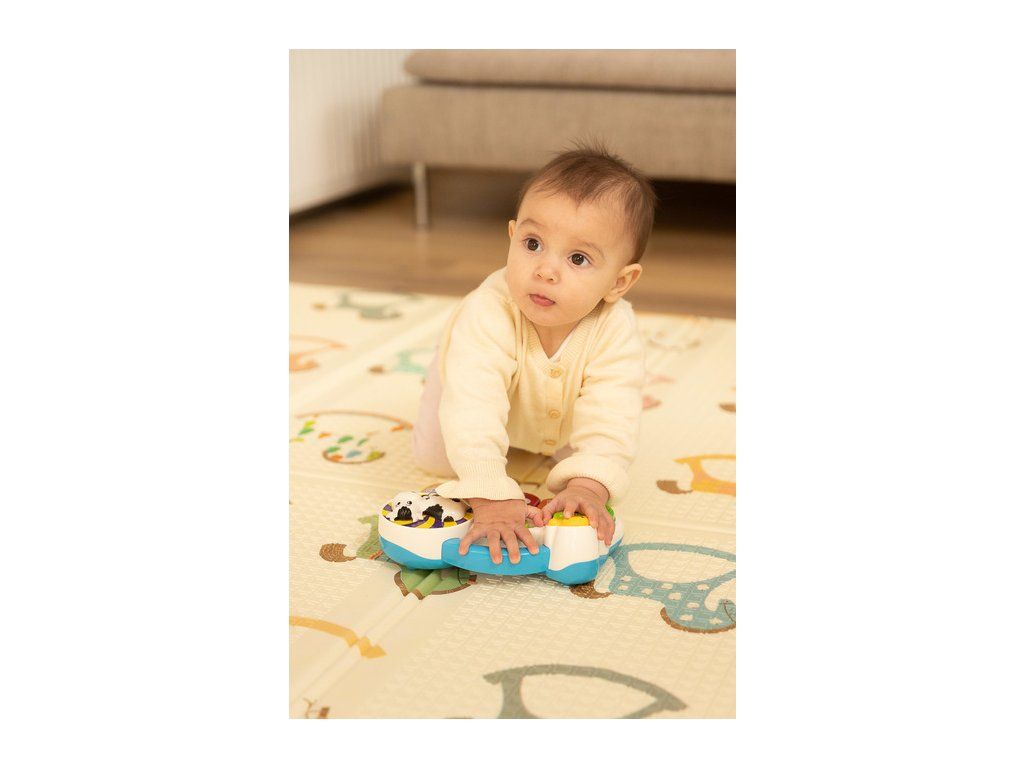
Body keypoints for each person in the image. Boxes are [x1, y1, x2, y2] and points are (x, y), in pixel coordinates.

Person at [411, 141, 654, 566]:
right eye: (533, 243)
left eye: (577, 258)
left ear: (619, 282)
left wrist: (588, 486)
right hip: (473, 380)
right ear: (512, 236)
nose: (545, 270)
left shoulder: (616, 328)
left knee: (587, 466)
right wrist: (491, 497)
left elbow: (612, 413)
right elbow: (473, 405)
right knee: (438, 458)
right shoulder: (489, 311)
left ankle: (542, 443)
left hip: (556, 410)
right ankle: (471, 400)